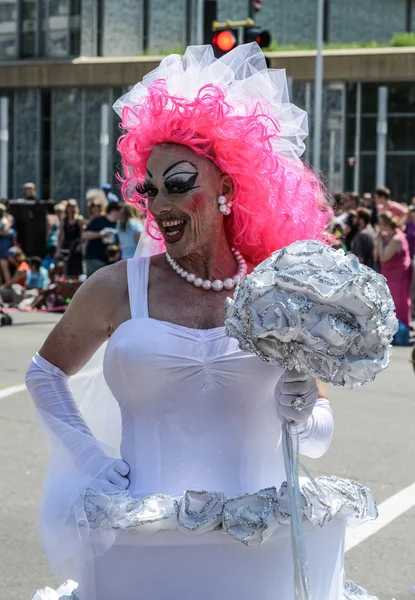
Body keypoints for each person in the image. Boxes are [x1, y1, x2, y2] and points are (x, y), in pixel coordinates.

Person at [26, 44, 377, 600]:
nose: (160, 201)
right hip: (144, 547)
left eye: (180, 182)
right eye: (150, 187)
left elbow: (317, 438)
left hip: (261, 548)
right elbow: (44, 374)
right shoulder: (118, 287)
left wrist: (303, 411)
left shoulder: (278, 288)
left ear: (228, 190)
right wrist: (91, 460)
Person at [376, 211, 412, 331]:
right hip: (391, 276)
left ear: (385, 224)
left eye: (380, 223)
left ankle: (400, 330)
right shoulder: (390, 236)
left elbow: (383, 257)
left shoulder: (396, 238)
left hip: (397, 277)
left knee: (398, 303)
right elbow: (376, 255)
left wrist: (380, 241)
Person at [82, 202, 121, 277]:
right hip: (94, 259)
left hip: (109, 261)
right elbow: (84, 235)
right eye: (120, 212)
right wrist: (101, 234)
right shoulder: (98, 220)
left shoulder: (118, 224)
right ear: (113, 211)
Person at [55, 200, 84, 277]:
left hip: (76, 248)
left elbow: (82, 235)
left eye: (73, 207)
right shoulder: (64, 221)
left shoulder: (79, 220)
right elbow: (60, 236)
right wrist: (58, 249)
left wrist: (80, 245)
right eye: (70, 207)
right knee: (66, 268)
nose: (72, 209)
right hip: (66, 248)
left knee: (77, 270)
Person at [0, 202, 17, 284]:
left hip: (5, 245)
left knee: (4, 264)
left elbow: (3, 231)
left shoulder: (8, 218)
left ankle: (8, 284)